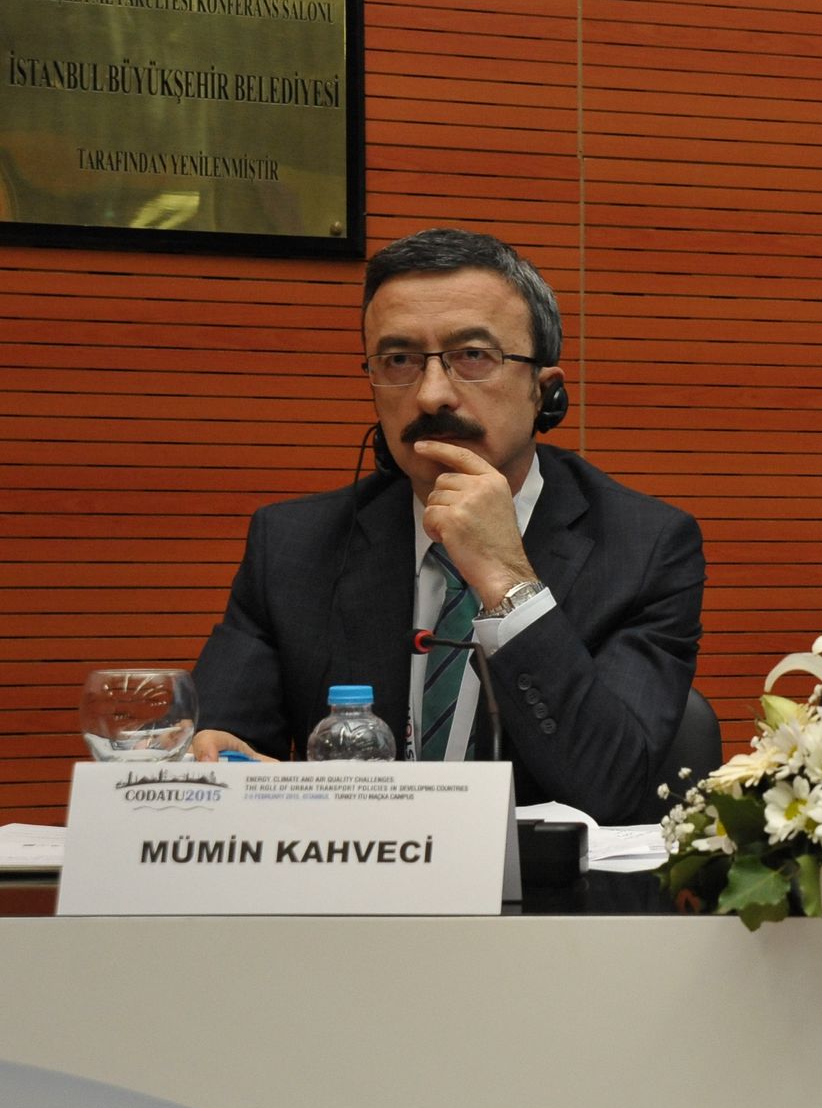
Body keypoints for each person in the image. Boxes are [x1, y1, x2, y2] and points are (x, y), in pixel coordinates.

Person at [189, 228, 704, 824]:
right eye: (399, 360)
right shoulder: (294, 546)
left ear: (545, 392)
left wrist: (507, 581)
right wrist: (220, 765)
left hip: (542, 884)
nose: (432, 396)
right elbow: (219, 753)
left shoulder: (644, 548)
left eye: (472, 356)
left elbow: (614, 791)